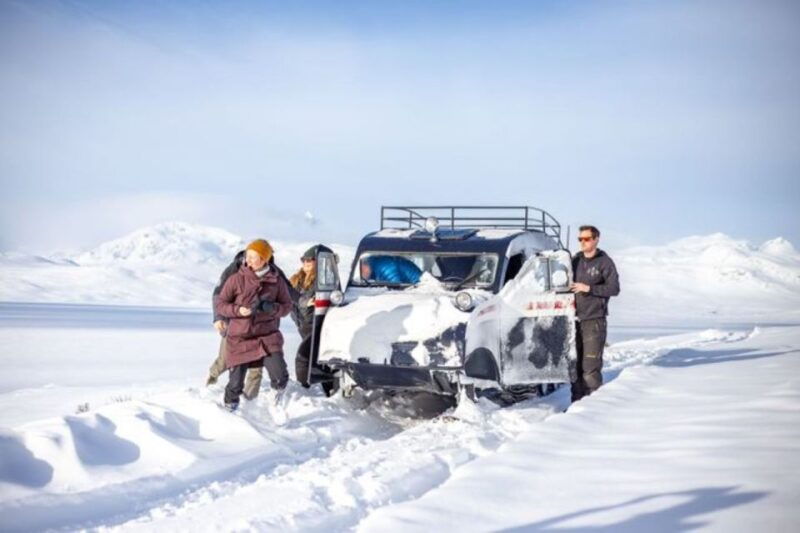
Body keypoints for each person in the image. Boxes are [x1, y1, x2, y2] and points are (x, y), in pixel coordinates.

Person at [214, 239, 293, 411]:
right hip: (240, 337)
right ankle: (229, 410)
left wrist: (273, 308)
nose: (247, 260)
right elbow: (220, 303)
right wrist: (237, 311)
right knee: (235, 384)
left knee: (280, 376)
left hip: (267, 336)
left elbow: (287, 306)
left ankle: (276, 406)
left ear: (264, 259)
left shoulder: (276, 281)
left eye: (252, 257)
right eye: (247, 256)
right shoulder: (236, 279)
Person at [569, 225, 620, 402]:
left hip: (594, 320)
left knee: (590, 367)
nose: (583, 242)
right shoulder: (575, 260)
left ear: (596, 239)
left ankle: (592, 407)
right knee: (574, 367)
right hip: (574, 321)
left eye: (587, 239)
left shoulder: (605, 262)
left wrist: (588, 288)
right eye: (580, 239)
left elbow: (614, 288)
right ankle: (575, 407)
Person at [288, 245, 322, 388]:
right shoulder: (296, 280)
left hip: (314, 324)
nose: (306, 263)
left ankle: (303, 389)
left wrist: (306, 303)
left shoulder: (320, 281)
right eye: (304, 260)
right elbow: (289, 298)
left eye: (310, 260)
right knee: (313, 357)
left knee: (302, 357)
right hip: (301, 324)